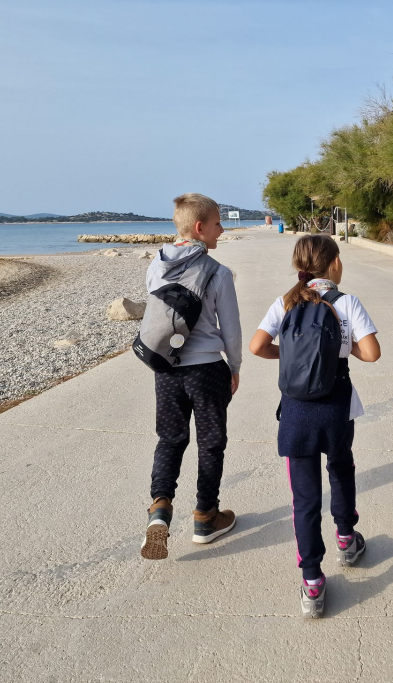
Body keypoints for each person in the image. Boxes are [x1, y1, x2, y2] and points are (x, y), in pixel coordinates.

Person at [249, 234, 380, 618]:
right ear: (334, 263)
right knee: (341, 469)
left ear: (299, 266)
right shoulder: (345, 302)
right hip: (336, 406)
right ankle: (346, 538)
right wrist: (345, 346)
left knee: (304, 497)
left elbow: (257, 346)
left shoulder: (285, 302)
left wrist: (291, 358)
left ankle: (312, 581)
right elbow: (371, 353)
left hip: (295, 411)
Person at [140, 193, 243, 560]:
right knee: (211, 442)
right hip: (206, 370)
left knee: (170, 439)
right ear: (200, 228)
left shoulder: (157, 265)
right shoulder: (218, 272)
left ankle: (160, 509)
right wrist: (235, 367)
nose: (222, 228)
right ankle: (205, 516)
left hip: (166, 368)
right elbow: (230, 329)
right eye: (218, 223)